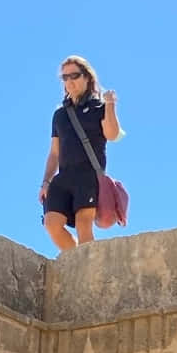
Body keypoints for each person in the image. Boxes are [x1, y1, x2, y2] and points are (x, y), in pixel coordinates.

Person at [39, 55, 122, 251]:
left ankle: (86, 264)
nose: (69, 81)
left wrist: (110, 105)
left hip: (88, 176)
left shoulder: (99, 108)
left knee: (83, 225)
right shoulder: (60, 115)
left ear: (87, 77)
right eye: (65, 77)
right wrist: (46, 181)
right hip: (63, 176)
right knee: (51, 223)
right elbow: (54, 153)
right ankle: (76, 259)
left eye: (74, 76)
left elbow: (112, 134)